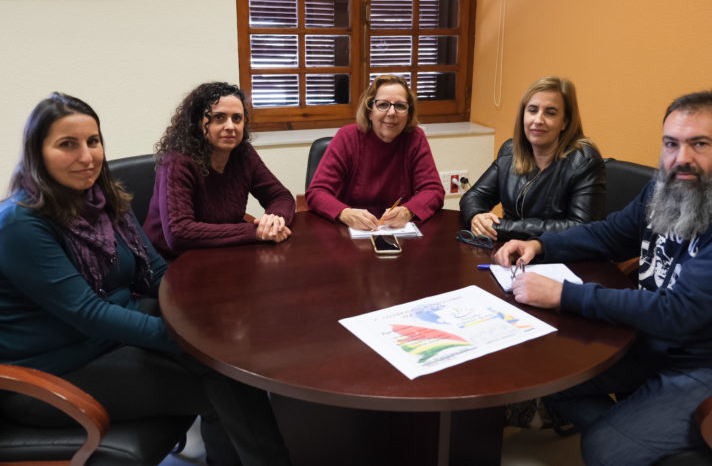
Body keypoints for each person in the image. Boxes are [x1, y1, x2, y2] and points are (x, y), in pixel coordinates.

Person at [0, 93, 292, 466]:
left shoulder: (101, 199)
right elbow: (89, 312)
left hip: (110, 337)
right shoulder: (21, 224)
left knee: (228, 357)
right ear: (36, 152)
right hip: (53, 371)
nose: (87, 157)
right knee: (221, 382)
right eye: (67, 145)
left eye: (93, 141)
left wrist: (204, 312)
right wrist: (191, 339)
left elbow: (155, 272)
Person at [494, 90, 712, 466]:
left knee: (606, 448)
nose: (681, 159)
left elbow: (679, 311)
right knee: (547, 375)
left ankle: (632, 435)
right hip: (657, 343)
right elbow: (608, 234)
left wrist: (565, 295)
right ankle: (635, 427)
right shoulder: (666, 186)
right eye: (671, 144)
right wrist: (540, 246)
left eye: (700, 144)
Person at [144, 82, 295, 260]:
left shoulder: (244, 154)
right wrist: (255, 232)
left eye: (237, 118)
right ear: (198, 122)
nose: (230, 126)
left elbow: (281, 196)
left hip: (221, 252)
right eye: (219, 117)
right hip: (170, 262)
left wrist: (274, 219)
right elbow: (179, 233)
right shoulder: (178, 162)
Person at [460, 76, 605, 242]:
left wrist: (501, 227)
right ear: (523, 115)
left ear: (565, 121)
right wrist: (477, 217)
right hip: (510, 250)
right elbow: (474, 196)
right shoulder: (510, 151)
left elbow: (580, 227)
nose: (538, 120)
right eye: (532, 110)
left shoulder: (584, 160)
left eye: (550, 113)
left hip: (558, 256)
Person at [305, 74, 444, 230]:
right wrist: (346, 214)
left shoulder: (415, 138)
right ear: (370, 111)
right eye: (383, 105)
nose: (392, 113)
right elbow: (317, 192)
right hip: (349, 233)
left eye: (400, 106)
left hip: (398, 233)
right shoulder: (347, 137)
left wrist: (408, 211)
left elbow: (433, 190)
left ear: (408, 114)